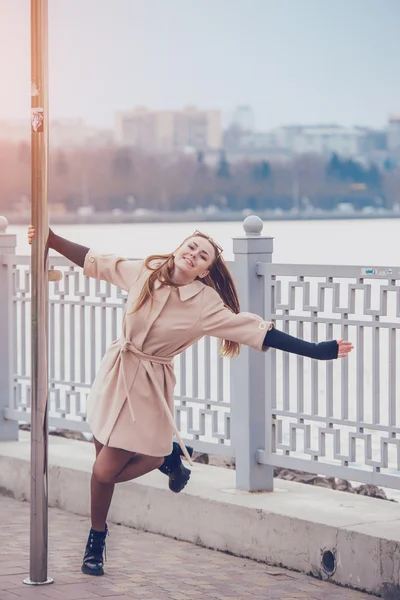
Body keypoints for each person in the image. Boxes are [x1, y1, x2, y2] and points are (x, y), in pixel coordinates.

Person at [28, 226, 353, 576]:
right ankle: (165, 459)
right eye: (191, 247)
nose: (194, 255)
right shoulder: (144, 273)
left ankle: (100, 533)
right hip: (115, 376)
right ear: (179, 247)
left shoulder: (205, 304)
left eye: (203, 256)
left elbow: (255, 329)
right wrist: (51, 239)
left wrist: (318, 351)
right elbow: (97, 262)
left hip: (150, 391)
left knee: (103, 471)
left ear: (205, 271)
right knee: (102, 467)